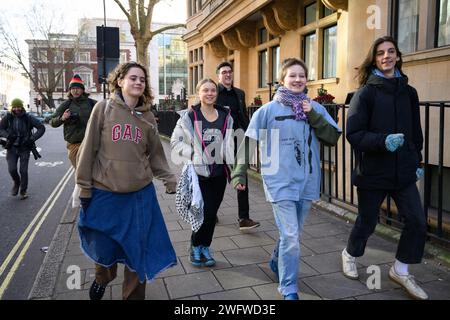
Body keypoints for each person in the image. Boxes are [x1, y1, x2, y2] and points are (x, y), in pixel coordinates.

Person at [231, 58, 341, 300]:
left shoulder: (315, 107)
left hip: (308, 181)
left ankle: (276, 259)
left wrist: (314, 116)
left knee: (293, 235)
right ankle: (289, 287)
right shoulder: (268, 111)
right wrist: (240, 172)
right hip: (279, 181)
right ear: (283, 80)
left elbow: (333, 137)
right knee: (291, 237)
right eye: (292, 75)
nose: (298, 79)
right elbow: (248, 141)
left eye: (302, 75)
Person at [75, 62, 177, 300]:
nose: (138, 82)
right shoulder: (103, 109)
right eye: (133, 78)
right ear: (120, 81)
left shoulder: (148, 116)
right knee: (105, 247)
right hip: (105, 194)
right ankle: (102, 278)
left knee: (137, 252)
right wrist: (84, 187)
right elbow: (88, 150)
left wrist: (169, 178)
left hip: (139, 196)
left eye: (142, 79)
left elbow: (155, 153)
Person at [341, 36, 428, 300]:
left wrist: (416, 162)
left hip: (403, 172)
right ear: (375, 59)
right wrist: (382, 141)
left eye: (391, 52)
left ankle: (400, 270)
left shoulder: (409, 93)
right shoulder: (366, 92)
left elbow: (415, 133)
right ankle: (350, 254)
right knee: (368, 222)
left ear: (398, 57)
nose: (386, 56)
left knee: (417, 221)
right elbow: (353, 133)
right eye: (380, 53)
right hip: (373, 171)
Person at [171, 78, 234, 268]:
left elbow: (230, 142)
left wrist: (235, 165)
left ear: (216, 93)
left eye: (212, 90)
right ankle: (195, 246)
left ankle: (205, 246)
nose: (209, 93)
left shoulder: (225, 115)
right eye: (205, 90)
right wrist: (194, 154)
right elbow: (175, 143)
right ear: (198, 93)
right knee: (203, 214)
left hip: (219, 174)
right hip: (198, 175)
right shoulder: (189, 117)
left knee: (212, 214)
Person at [216, 61, 260, 231]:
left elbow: (242, 116)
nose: (228, 74)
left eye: (230, 72)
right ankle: (210, 212)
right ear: (218, 76)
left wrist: (250, 133)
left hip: (238, 139)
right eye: (224, 72)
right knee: (217, 179)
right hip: (219, 143)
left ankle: (244, 218)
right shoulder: (214, 93)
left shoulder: (239, 93)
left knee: (241, 176)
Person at [0, 98, 45, 199]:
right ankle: (17, 182)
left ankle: (23, 191)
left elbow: (41, 128)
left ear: (22, 107)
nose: (16, 109)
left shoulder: (28, 118)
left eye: (18, 107)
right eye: (15, 107)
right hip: (11, 148)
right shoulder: (8, 117)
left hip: (24, 148)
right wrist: (7, 136)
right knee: (12, 169)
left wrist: (32, 139)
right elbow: (0, 129)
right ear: (12, 107)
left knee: (23, 171)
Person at [49, 74, 97, 168]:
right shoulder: (66, 104)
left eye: (78, 88)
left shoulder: (92, 103)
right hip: (73, 144)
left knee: (90, 171)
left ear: (82, 90)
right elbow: (52, 122)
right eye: (73, 88)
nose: (75, 90)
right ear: (70, 90)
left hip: (90, 143)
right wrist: (62, 118)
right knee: (79, 172)